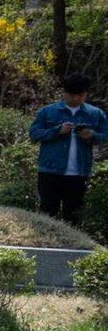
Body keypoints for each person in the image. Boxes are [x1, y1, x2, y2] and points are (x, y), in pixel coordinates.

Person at [29, 72, 108, 225]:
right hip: (50, 171)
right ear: (63, 93)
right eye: (72, 95)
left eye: (80, 95)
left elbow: (105, 134)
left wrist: (91, 135)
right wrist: (57, 131)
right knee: (47, 214)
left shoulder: (95, 114)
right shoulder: (47, 112)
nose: (75, 99)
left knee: (73, 216)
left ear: (85, 94)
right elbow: (34, 134)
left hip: (79, 172)